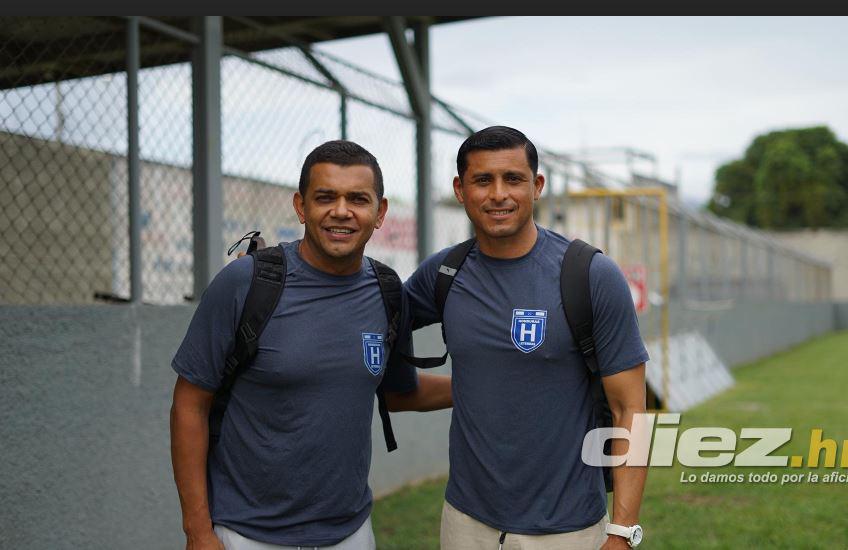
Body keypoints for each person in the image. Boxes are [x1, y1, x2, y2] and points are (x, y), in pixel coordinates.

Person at [170, 140, 452, 550]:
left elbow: (398, 393)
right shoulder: (246, 284)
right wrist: (197, 531)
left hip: (352, 534)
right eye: (325, 197)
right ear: (301, 207)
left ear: (380, 213)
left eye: (358, 199)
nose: (341, 211)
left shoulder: (387, 291)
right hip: (247, 535)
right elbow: (189, 405)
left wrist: (486, 386)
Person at [404, 126, 650, 549]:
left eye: (513, 179)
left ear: (536, 186)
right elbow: (370, 321)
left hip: (568, 529)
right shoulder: (443, 274)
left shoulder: (590, 275)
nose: (498, 194)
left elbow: (631, 409)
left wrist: (623, 532)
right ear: (461, 190)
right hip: (465, 522)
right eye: (483, 180)